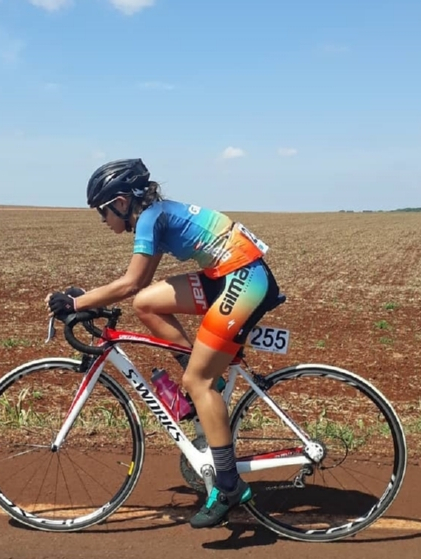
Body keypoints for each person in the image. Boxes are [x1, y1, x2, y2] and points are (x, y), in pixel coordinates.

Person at [46, 158, 282, 528]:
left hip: (244, 278)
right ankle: (206, 380)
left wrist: (77, 303)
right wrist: (89, 297)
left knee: (197, 383)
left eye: (103, 212)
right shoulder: (153, 216)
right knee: (147, 306)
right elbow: (139, 291)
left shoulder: (151, 218)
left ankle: (228, 485)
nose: (103, 221)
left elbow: (130, 282)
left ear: (122, 203)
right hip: (226, 275)